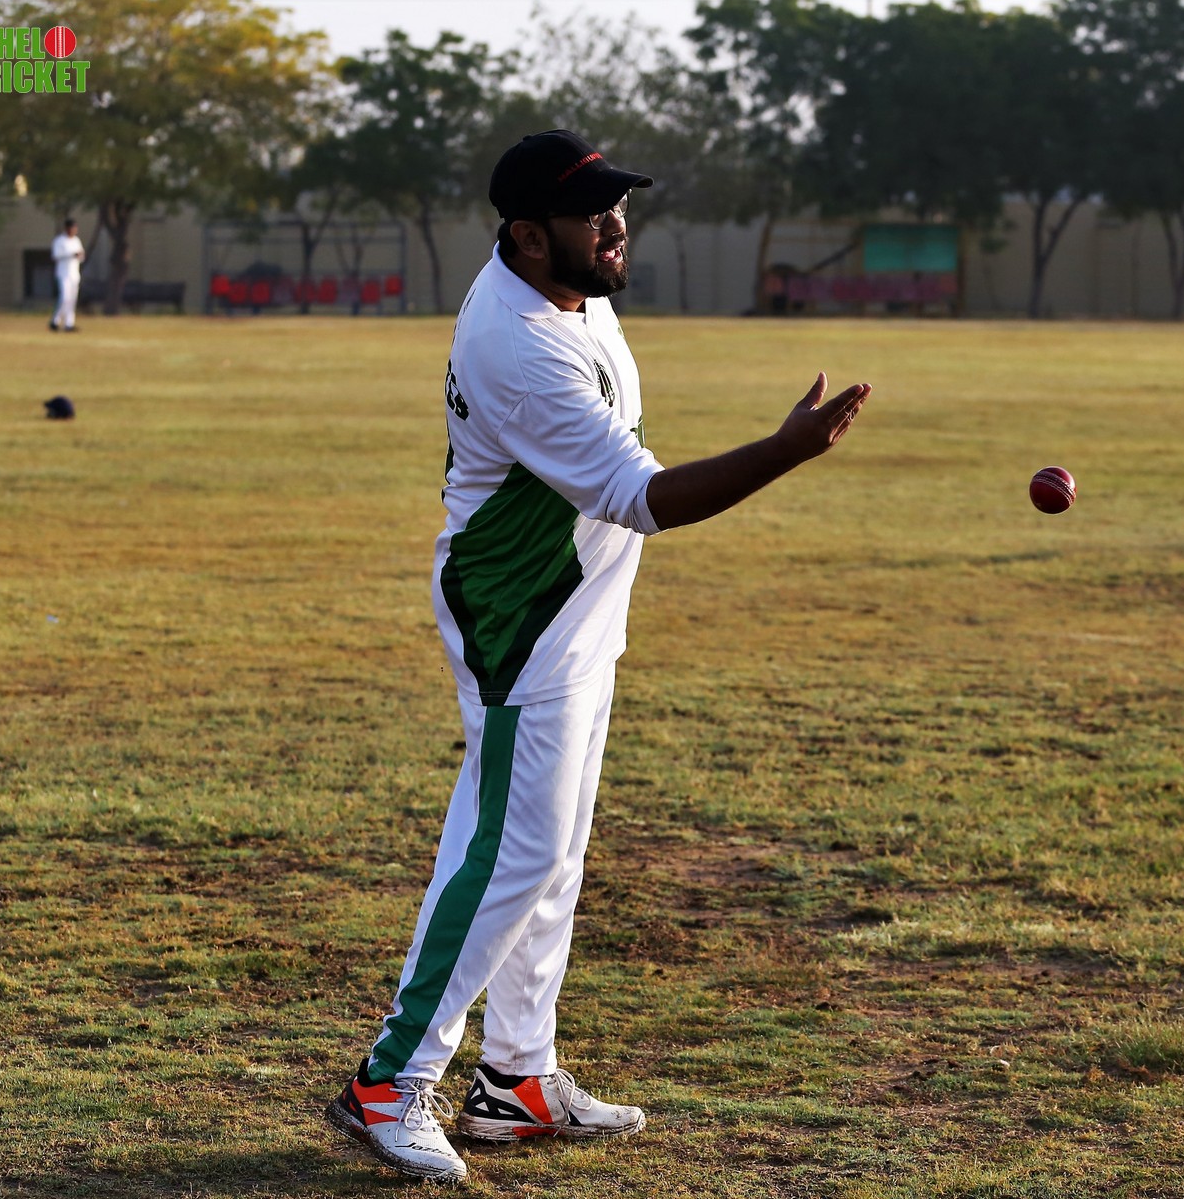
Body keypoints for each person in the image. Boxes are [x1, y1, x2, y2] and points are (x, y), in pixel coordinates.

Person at [323, 130, 871, 1184]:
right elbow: (642, 498)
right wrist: (783, 452)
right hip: (521, 612)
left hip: (574, 605)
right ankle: (388, 1082)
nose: (616, 225)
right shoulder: (519, 343)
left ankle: (516, 1079)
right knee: (507, 854)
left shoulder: (571, 289)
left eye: (618, 204)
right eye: (592, 214)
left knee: (554, 853)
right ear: (530, 237)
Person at [49, 218, 84, 332]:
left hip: (74, 274)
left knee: (72, 300)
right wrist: (71, 254)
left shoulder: (76, 241)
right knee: (64, 298)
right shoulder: (60, 241)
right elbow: (56, 255)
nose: (74, 230)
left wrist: (79, 255)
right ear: (67, 228)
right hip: (63, 274)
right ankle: (55, 320)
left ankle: (69, 323)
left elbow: (81, 256)